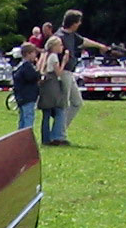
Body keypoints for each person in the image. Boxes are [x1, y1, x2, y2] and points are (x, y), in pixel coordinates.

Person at [56, 9, 107, 144]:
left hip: (70, 73)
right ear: (73, 23)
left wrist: (99, 46)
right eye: (78, 22)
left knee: (77, 103)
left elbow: (84, 41)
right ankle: (59, 136)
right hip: (63, 73)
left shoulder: (72, 35)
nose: (80, 24)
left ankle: (60, 131)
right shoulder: (59, 36)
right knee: (64, 105)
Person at [38, 35, 67, 146]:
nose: (62, 47)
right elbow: (58, 73)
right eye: (60, 45)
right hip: (52, 85)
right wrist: (64, 62)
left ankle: (45, 138)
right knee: (59, 109)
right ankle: (56, 136)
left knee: (46, 114)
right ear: (54, 46)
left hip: (46, 85)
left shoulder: (46, 55)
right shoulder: (54, 57)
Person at [12, 42, 41, 131]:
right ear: (28, 54)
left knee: (22, 118)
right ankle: (26, 138)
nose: (35, 55)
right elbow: (32, 77)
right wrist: (38, 72)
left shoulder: (19, 66)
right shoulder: (27, 66)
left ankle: (19, 138)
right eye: (34, 53)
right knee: (28, 118)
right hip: (28, 96)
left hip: (21, 96)